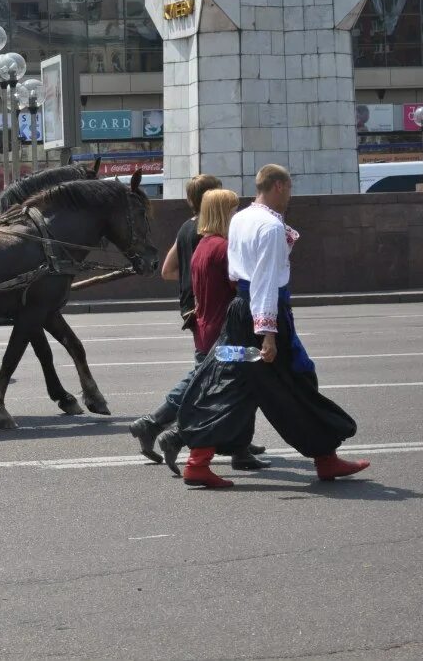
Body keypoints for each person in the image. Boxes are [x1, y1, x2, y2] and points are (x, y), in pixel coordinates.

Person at [173, 165, 370, 488]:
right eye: (290, 190)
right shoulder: (269, 227)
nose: (290, 196)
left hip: (238, 313)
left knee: (231, 380)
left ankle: (198, 459)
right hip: (262, 313)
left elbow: (248, 270)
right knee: (295, 381)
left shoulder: (242, 218)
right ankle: (326, 458)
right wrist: (268, 334)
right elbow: (264, 282)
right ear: (279, 186)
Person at [129, 173, 265, 468]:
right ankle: (173, 432)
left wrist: (199, 286)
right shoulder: (216, 243)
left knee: (217, 376)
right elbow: (240, 285)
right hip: (221, 323)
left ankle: (237, 443)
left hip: (199, 314)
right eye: (231, 208)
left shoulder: (189, 231)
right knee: (221, 379)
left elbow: (167, 270)